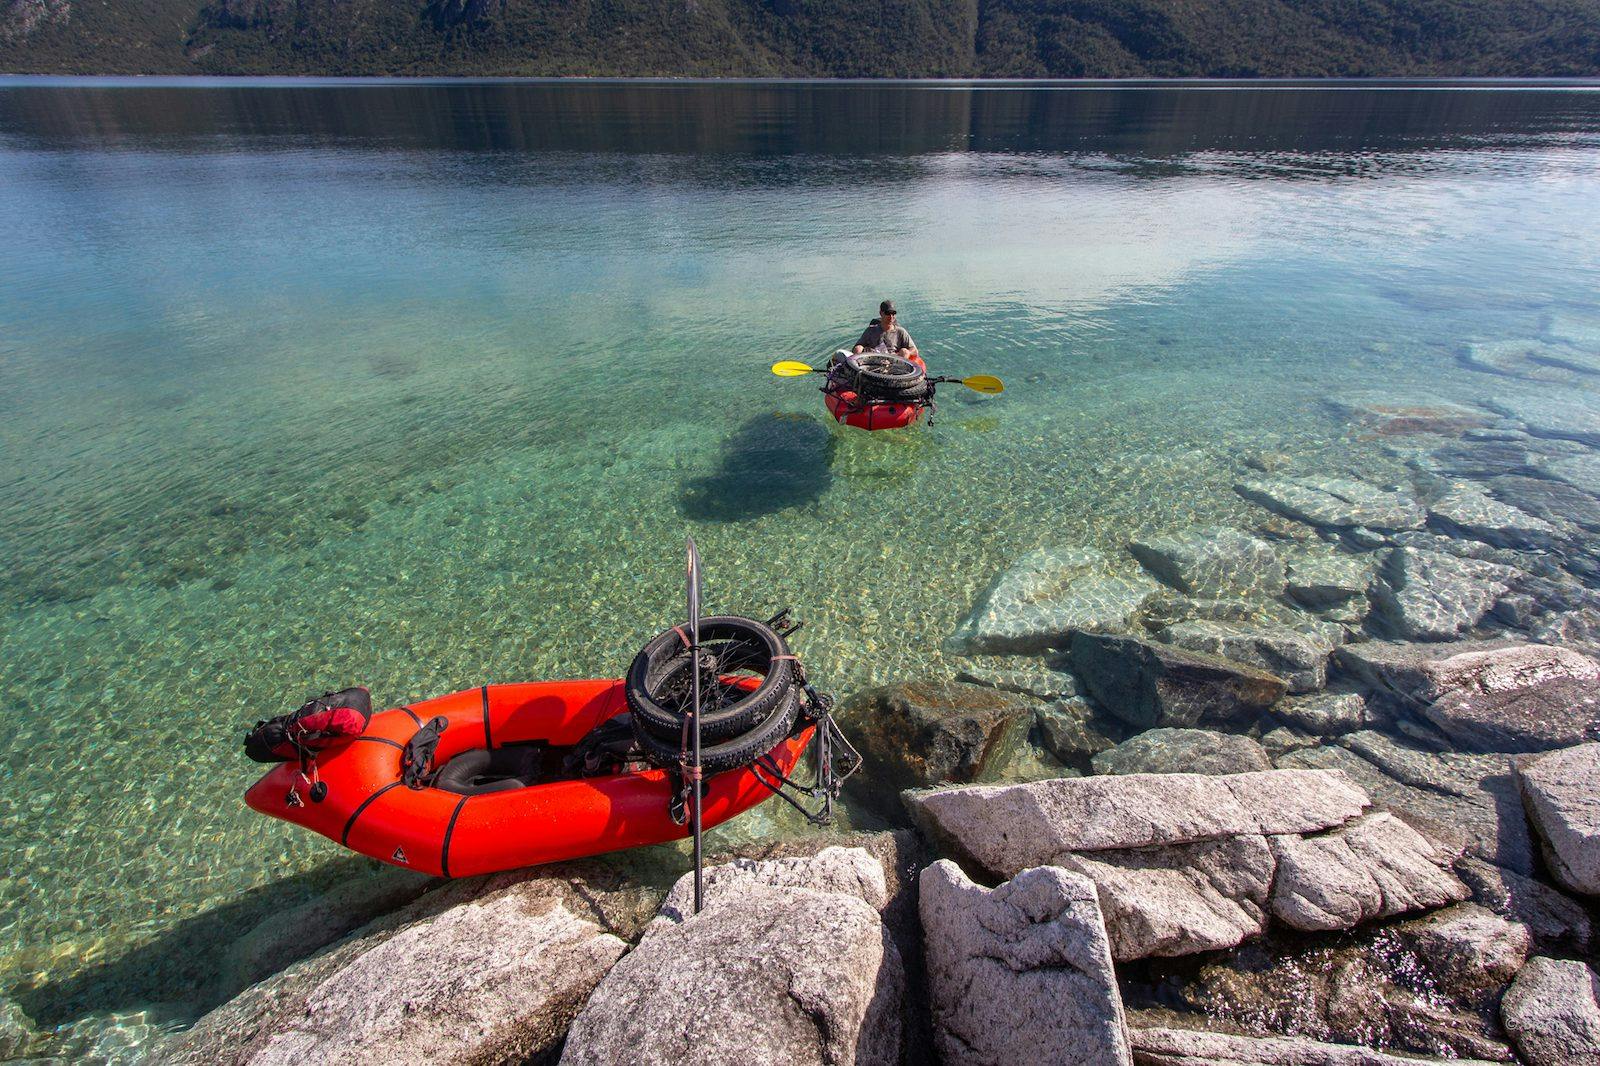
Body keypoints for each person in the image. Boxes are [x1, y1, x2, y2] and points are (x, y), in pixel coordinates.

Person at [852, 300, 918, 359]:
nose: (891, 316)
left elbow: (914, 350)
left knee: (905, 351)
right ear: (881, 313)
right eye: (888, 313)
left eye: (893, 313)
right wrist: (859, 348)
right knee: (858, 349)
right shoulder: (870, 330)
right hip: (872, 360)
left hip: (894, 362)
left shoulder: (901, 332)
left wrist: (905, 352)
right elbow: (857, 347)